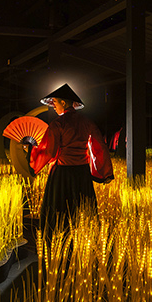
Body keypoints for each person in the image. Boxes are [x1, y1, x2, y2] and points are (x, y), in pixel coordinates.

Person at [28, 84, 113, 234]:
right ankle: (85, 237)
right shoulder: (87, 122)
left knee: (59, 210)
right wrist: (104, 172)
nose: (53, 106)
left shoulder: (58, 124)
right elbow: (99, 147)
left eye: (55, 102)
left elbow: (49, 150)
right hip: (82, 173)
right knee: (83, 208)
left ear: (63, 102)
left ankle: (59, 237)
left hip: (62, 174)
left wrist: (32, 153)